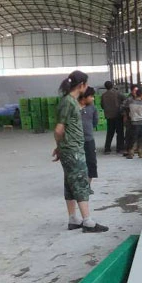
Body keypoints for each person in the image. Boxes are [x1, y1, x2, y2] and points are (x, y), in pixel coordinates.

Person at [54, 71, 108, 233]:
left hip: (69, 148)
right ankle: (88, 221)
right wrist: (60, 146)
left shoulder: (68, 101)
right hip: (73, 150)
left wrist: (60, 147)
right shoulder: (69, 102)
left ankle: (73, 218)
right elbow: (59, 129)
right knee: (81, 182)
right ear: (81, 85)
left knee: (70, 183)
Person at [79, 87, 99, 184]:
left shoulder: (92, 108)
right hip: (76, 141)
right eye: (91, 96)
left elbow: (95, 122)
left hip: (89, 139)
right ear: (84, 97)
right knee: (78, 163)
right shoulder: (74, 108)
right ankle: (78, 185)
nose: (93, 98)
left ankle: (87, 185)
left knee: (91, 162)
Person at [100, 80, 124, 154]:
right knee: (119, 132)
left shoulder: (103, 95)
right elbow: (125, 99)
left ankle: (107, 148)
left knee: (110, 132)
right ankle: (119, 148)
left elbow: (102, 105)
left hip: (109, 116)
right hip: (117, 115)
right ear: (112, 85)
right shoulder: (117, 93)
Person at [125, 89, 142, 159]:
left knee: (133, 138)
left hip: (134, 123)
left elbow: (127, 110)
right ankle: (141, 153)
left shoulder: (130, 102)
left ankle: (131, 153)